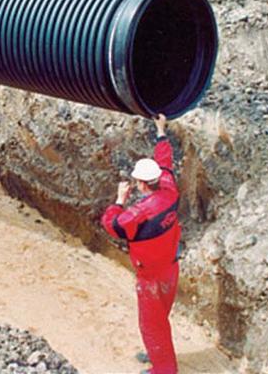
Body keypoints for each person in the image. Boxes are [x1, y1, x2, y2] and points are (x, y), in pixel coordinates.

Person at [101, 114, 180, 374]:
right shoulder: (169, 190)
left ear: (143, 184)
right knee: (160, 319)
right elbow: (165, 161)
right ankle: (158, 353)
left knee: (151, 325)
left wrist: (119, 200)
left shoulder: (139, 214)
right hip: (171, 269)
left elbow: (111, 224)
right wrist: (161, 132)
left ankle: (164, 370)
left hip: (151, 278)